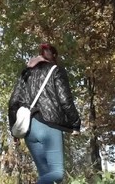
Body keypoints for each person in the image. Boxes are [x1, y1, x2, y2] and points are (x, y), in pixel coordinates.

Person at [8, 43, 81, 184]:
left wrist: (13, 130)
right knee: (57, 174)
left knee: (45, 176)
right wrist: (75, 124)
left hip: (29, 129)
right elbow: (65, 100)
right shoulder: (56, 70)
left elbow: (13, 102)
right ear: (54, 56)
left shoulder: (26, 73)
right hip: (50, 126)